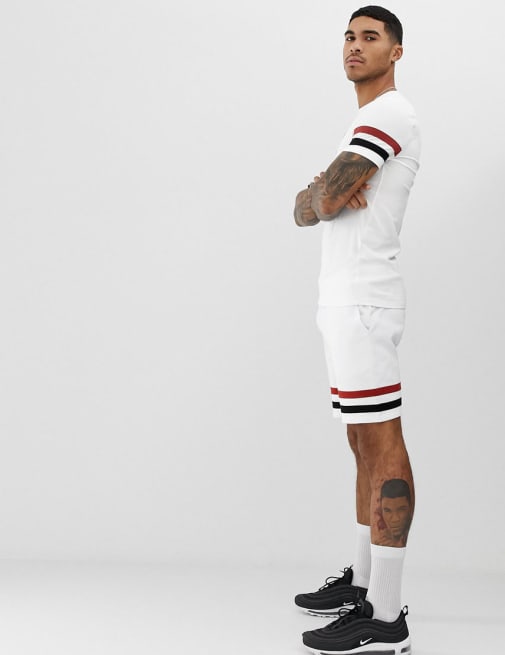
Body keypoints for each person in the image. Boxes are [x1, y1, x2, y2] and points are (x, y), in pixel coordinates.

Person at [293, 6, 420, 654]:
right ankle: (365, 584)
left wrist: (326, 192)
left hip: (366, 302)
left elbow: (322, 199)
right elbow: (305, 208)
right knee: (360, 443)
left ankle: (387, 615)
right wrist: (326, 193)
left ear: (395, 52)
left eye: (370, 37)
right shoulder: (362, 121)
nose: (354, 45)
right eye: (348, 36)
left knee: (382, 440)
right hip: (343, 300)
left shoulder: (389, 115)